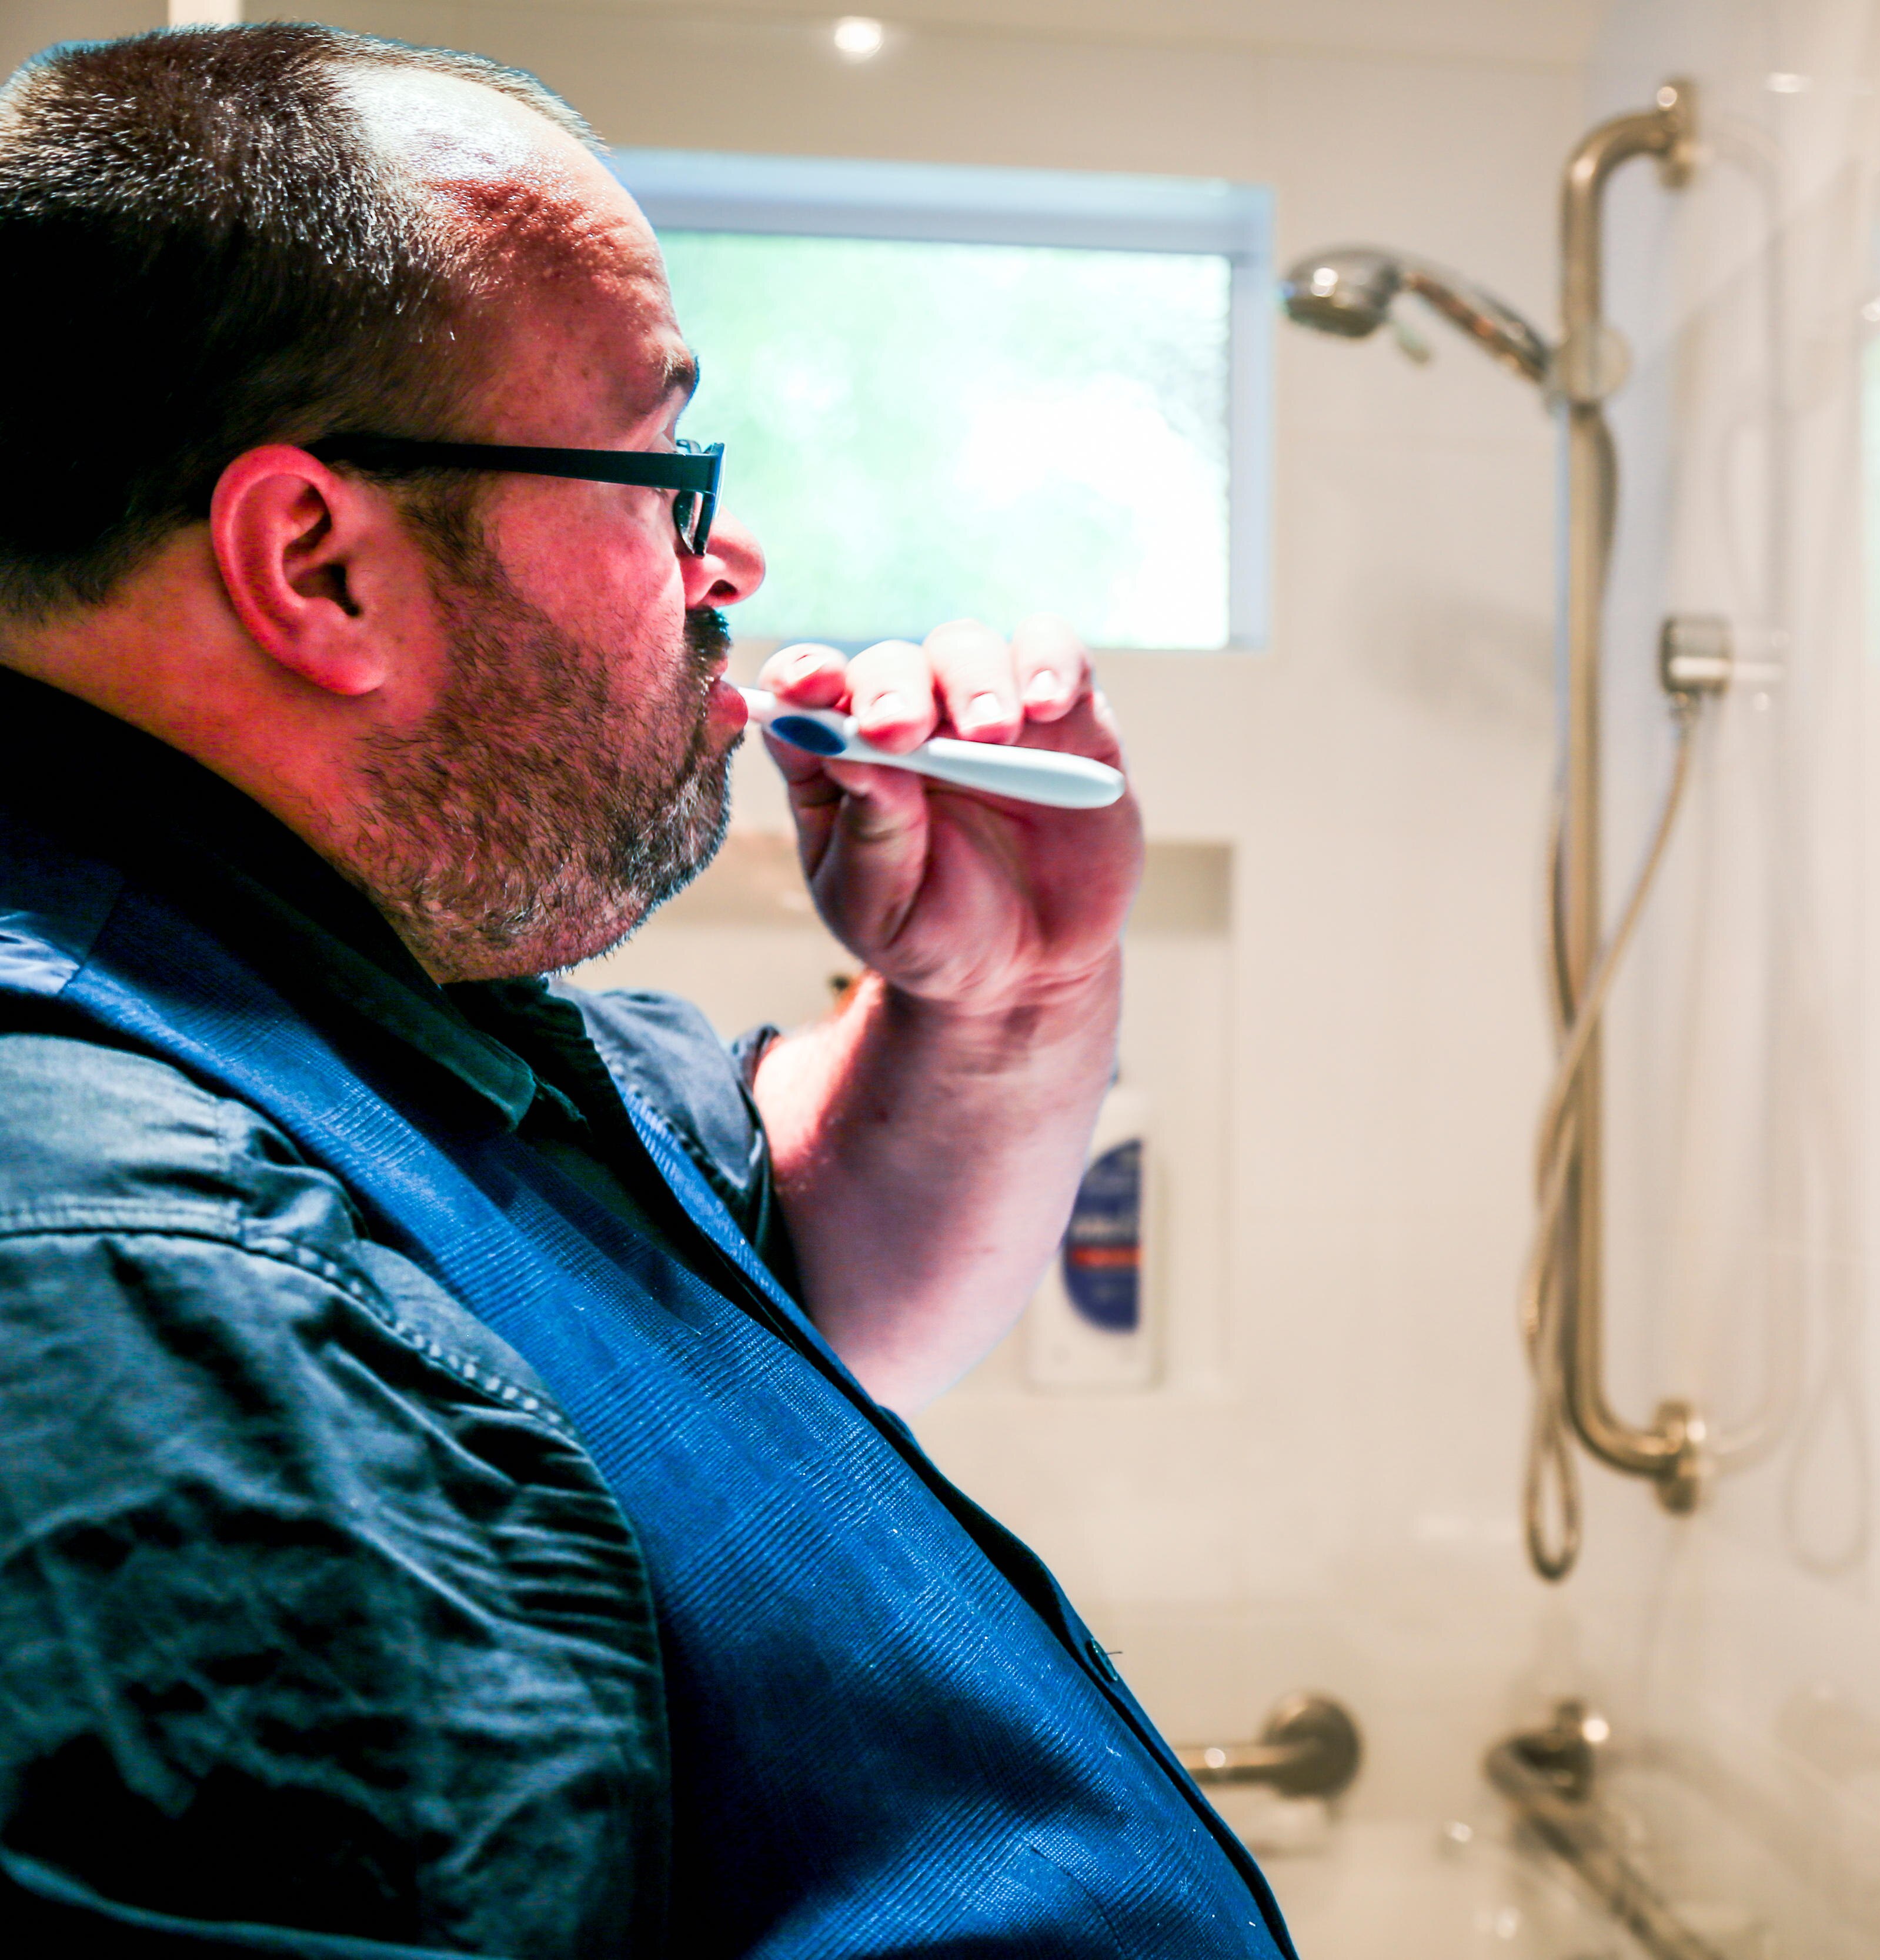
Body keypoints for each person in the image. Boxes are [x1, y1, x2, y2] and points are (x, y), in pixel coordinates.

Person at [0, 23, 1288, 1958]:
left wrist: (1002, 994)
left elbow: (794, 1268)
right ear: (317, 565)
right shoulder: (152, 1277)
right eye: (661, 469)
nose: (729, 560)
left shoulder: (359, 987)